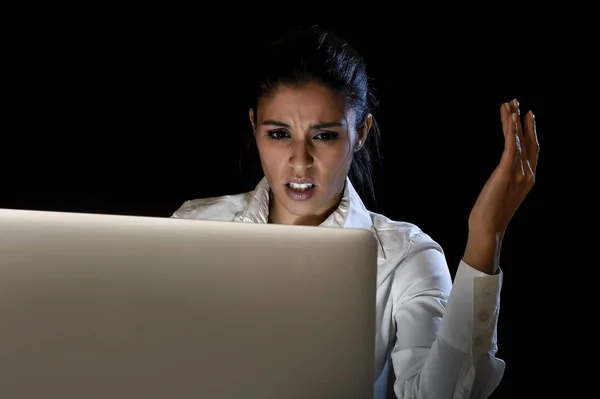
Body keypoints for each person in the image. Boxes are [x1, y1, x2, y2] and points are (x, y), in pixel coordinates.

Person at [171, 26, 539, 399]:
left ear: (361, 131)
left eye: (324, 135)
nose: (299, 161)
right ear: (254, 127)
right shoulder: (192, 228)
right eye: (279, 134)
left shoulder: (405, 258)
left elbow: (440, 396)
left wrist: (485, 234)